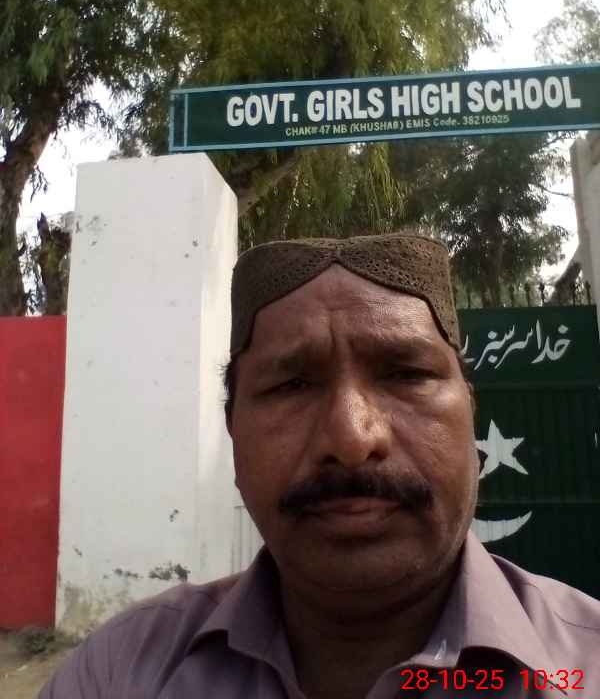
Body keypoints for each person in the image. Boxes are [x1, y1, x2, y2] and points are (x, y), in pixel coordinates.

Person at [40, 233, 600, 698]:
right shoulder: (119, 673)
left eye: (406, 375)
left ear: (469, 411)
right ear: (233, 432)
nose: (352, 439)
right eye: (292, 385)